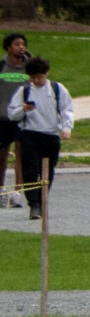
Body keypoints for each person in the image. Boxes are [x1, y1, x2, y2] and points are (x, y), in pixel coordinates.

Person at [5, 54, 70, 221]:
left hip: (50, 135)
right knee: (30, 172)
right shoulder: (24, 91)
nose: (37, 80)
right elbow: (12, 114)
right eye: (33, 77)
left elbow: (66, 109)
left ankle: (42, 200)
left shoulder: (57, 89)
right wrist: (23, 110)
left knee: (47, 172)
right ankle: (33, 204)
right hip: (30, 135)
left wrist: (66, 127)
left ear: (46, 73)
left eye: (39, 77)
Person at [0, 33, 26, 210]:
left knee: (21, 156)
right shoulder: (2, 67)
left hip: (23, 119)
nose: (21, 47)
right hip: (2, 118)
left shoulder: (30, 68)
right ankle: (1, 192)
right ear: (9, 48)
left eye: (23, 44)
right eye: (17, 44)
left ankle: (17, 194)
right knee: (1, 157)